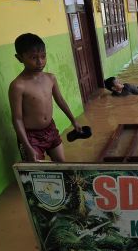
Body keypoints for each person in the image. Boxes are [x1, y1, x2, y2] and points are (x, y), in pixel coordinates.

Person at [9, 33, 83, 162]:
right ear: (19, 58)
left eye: (43, 56)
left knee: (63, 166)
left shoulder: (50, 78)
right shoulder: (18, 86)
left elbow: (60, 101)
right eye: (33, 58)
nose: (40, 62)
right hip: (30, 137)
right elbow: (17, 119)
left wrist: (73, 120)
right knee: (39, 174)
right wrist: (26, 146)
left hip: (50, 129)